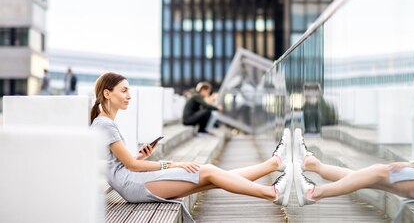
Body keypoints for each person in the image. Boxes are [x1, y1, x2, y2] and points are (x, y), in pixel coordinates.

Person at [89, 72, 295, 220]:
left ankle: (272, 165)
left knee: (214, 178)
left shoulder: (105, 123)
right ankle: (272, 192)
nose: (129, 96)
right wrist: (170, 164)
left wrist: (141, 156)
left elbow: (125, 164)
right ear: (107, 94)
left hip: (132, 182)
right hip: (134, 185)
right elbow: (131, 168)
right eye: (124, 91)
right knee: (209, 172)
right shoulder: (105, 124)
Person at [290, 71, 414, 208]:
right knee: (367, 176)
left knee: (379, 171)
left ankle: (314, 192)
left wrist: (410, 163)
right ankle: (315, 166)